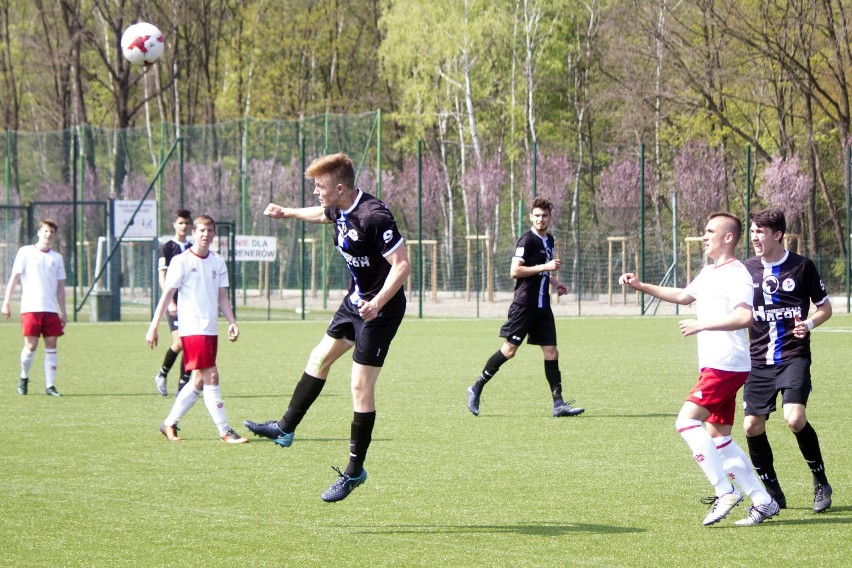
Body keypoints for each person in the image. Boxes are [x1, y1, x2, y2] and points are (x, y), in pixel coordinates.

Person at [243, 152, 410, 502]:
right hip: (356, 301)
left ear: (339, 187)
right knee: (319, 358)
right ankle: (285, 428)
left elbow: (402, 266)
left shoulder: (374, 216)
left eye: (320, 187)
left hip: (381, 310)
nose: (316, 192)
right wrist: (287, 212)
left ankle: (354, 471)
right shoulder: (339, 207)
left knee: (360, 387)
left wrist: (376, 303)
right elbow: (323, 214)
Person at [619, 212, 779, 526]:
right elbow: (682, 296)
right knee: (718, 436)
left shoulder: (738, 274)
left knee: (686, 422)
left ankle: (725, 491)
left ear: (728, 237)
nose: (704, 237)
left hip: (727, 363)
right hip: (717, 364)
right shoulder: (709, 272)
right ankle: (763, 501)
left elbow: (745, 317)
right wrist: (640, 286)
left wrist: (701, 324)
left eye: (709, 232)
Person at [743, 208, 833, 513]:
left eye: (760, 232)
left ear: (778, 235)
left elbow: (825, 308)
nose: (754, 237)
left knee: (794, 418)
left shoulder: (801, 266)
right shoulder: (745, 270)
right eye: (753, 231)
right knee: (752, 426)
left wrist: (807, 324)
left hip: (794, 356)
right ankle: (771, 490)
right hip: (757, 360)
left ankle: (820, 480)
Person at [466, 197, 584, 418]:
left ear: (550, 217)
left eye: (545, 215)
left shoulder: (549, 240)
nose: (541, 219)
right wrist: (546, 266)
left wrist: (554, 282)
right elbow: (515, 271)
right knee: (509, 351)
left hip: (542, 307)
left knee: (551, 352)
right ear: (531, 216)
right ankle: (476, 387)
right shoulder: (526, 240)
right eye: (537, 215)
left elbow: (541, 271)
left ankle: (558, 404)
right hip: (524, 305)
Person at [145, 214, 248, 444]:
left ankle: (169, 423)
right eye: (201, 230)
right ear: (194, 233)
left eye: (209, 230)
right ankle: (225, 430)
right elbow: (166, 297)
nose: (206, 234)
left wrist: (232, 321)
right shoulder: (181, 261)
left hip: (210, 328)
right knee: (211, 374)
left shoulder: (218, 262)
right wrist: (153, 327)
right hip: (192, 329)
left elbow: (222, 298)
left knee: (198, 380)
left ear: (213, 234)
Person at [2, 219, 67, 396]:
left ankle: (50, 386)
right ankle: (23, 378)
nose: (49, 234)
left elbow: (60, 287)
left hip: (51, 309)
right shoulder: (25, 252)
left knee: (52, 343)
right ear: (39, 232)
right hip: (30, 308)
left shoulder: (57, 258)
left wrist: (63, 310)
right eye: (46, 231)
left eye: (52, 232)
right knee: (31, 346)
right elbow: (14, 278)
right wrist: (6, 303)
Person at [153, 209, 193, 397]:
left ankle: (183, 384)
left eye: (187, 223)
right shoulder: (167, 247)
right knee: (179, 342)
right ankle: (162, 374)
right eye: (181, 223)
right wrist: (170, 301)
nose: (184, 226)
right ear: (174, 224)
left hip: (191, 305)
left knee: (190, 343)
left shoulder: (193, 248)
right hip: (175, 303)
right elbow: (163, 276)